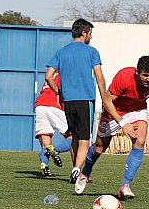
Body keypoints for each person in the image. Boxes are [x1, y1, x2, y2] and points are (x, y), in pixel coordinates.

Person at [75, 55, 149, 198]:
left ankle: (125, 185)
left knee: (140, 140)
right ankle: (85, 173)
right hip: (114, 111)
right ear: (137, 72)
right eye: (145, 75)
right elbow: (107, 100)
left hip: (137, 110)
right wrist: (123, 124)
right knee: (99, 148)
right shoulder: (124, 77)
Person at [45, 18, 107, 184]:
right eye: (90, 34)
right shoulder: (91, 52)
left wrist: (59, 91)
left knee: (74, 137)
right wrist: (105, 99)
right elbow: (100, 78)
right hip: (85, 99)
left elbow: (48, 76)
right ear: (84, 33)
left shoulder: (61, 52)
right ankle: (78, 170)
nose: (91, 37)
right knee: (85, 140)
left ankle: (76, 175)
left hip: (68, 102)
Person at [34, 70, 73, 177]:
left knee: (45, 139)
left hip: (40, 105)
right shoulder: (66, 73)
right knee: (74, 138)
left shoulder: (53, 72)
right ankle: (54, 149)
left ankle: (45, 166)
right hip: (53, 105)